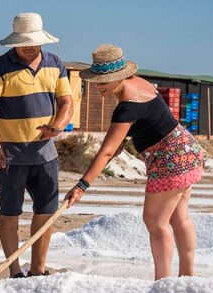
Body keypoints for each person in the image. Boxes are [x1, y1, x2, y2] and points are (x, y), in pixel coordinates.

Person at [65, 44, 204, 280]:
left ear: (119, 77)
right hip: (186, 148)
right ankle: (187, 275)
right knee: (179, 217)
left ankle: (163, 280)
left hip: (169, 160)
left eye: (104, 80)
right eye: (96, 80)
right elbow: (149, 118)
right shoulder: (141, 83)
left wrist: (81, 186)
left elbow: (106, 153)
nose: (99, 85)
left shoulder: (125, 109)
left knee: (154, 220)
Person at [0, 13, 73, 279]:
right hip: (10, 157)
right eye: (23, 42)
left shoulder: (55, 63)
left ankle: (38, 269)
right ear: (14, 42)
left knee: (46, 212)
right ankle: (14, 270)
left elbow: (66, 102)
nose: (28, 47)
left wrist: (58, 125)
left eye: (33, 41)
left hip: (46, 156)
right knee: (10, 212)